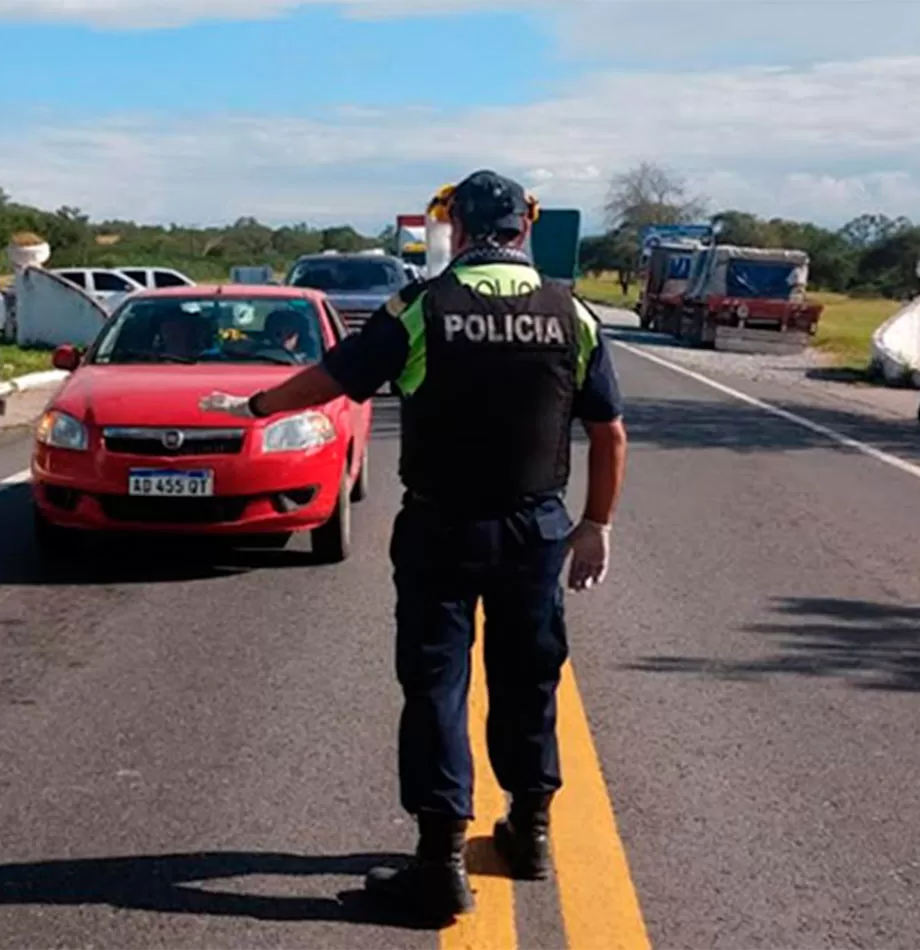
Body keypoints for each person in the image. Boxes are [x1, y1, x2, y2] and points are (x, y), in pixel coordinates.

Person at [199, 170, 628, 923]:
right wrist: (596, 524)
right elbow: (608, 430)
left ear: (458, 230)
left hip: (444, 527)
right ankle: (529, 836)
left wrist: (257, 404)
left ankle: (439, 868)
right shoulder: (572, 313)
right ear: (523, 230)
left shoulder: (424, 309)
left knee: (437, 685)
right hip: (537, 530)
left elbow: (333, 380)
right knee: (529, 677)